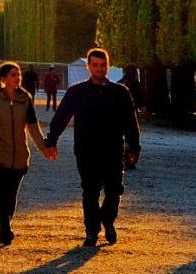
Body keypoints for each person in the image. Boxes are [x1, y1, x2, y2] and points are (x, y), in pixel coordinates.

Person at [44, 47, 140, 246]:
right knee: (90, 191)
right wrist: (51, 140)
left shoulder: (120, 93)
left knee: (114, 190)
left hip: (113, 149)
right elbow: (61, 117)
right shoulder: (77, 92)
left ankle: (107, 220)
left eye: (103, 65)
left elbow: (131, 122)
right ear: (88, 67)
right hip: (87, 151)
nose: (99, 69)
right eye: (95, 65)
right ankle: (92, 231)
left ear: (108, 66)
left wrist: (134, 148)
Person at [0, 61, 56, 245]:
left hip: (19, 158)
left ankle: (6, 223)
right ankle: (4, 228)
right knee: (2, 195)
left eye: (18, 74)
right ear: (3, 79)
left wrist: (44, 148)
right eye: (13, 74)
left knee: (11, 197)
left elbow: (33, 129)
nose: (18, 77)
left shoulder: (25, 100)